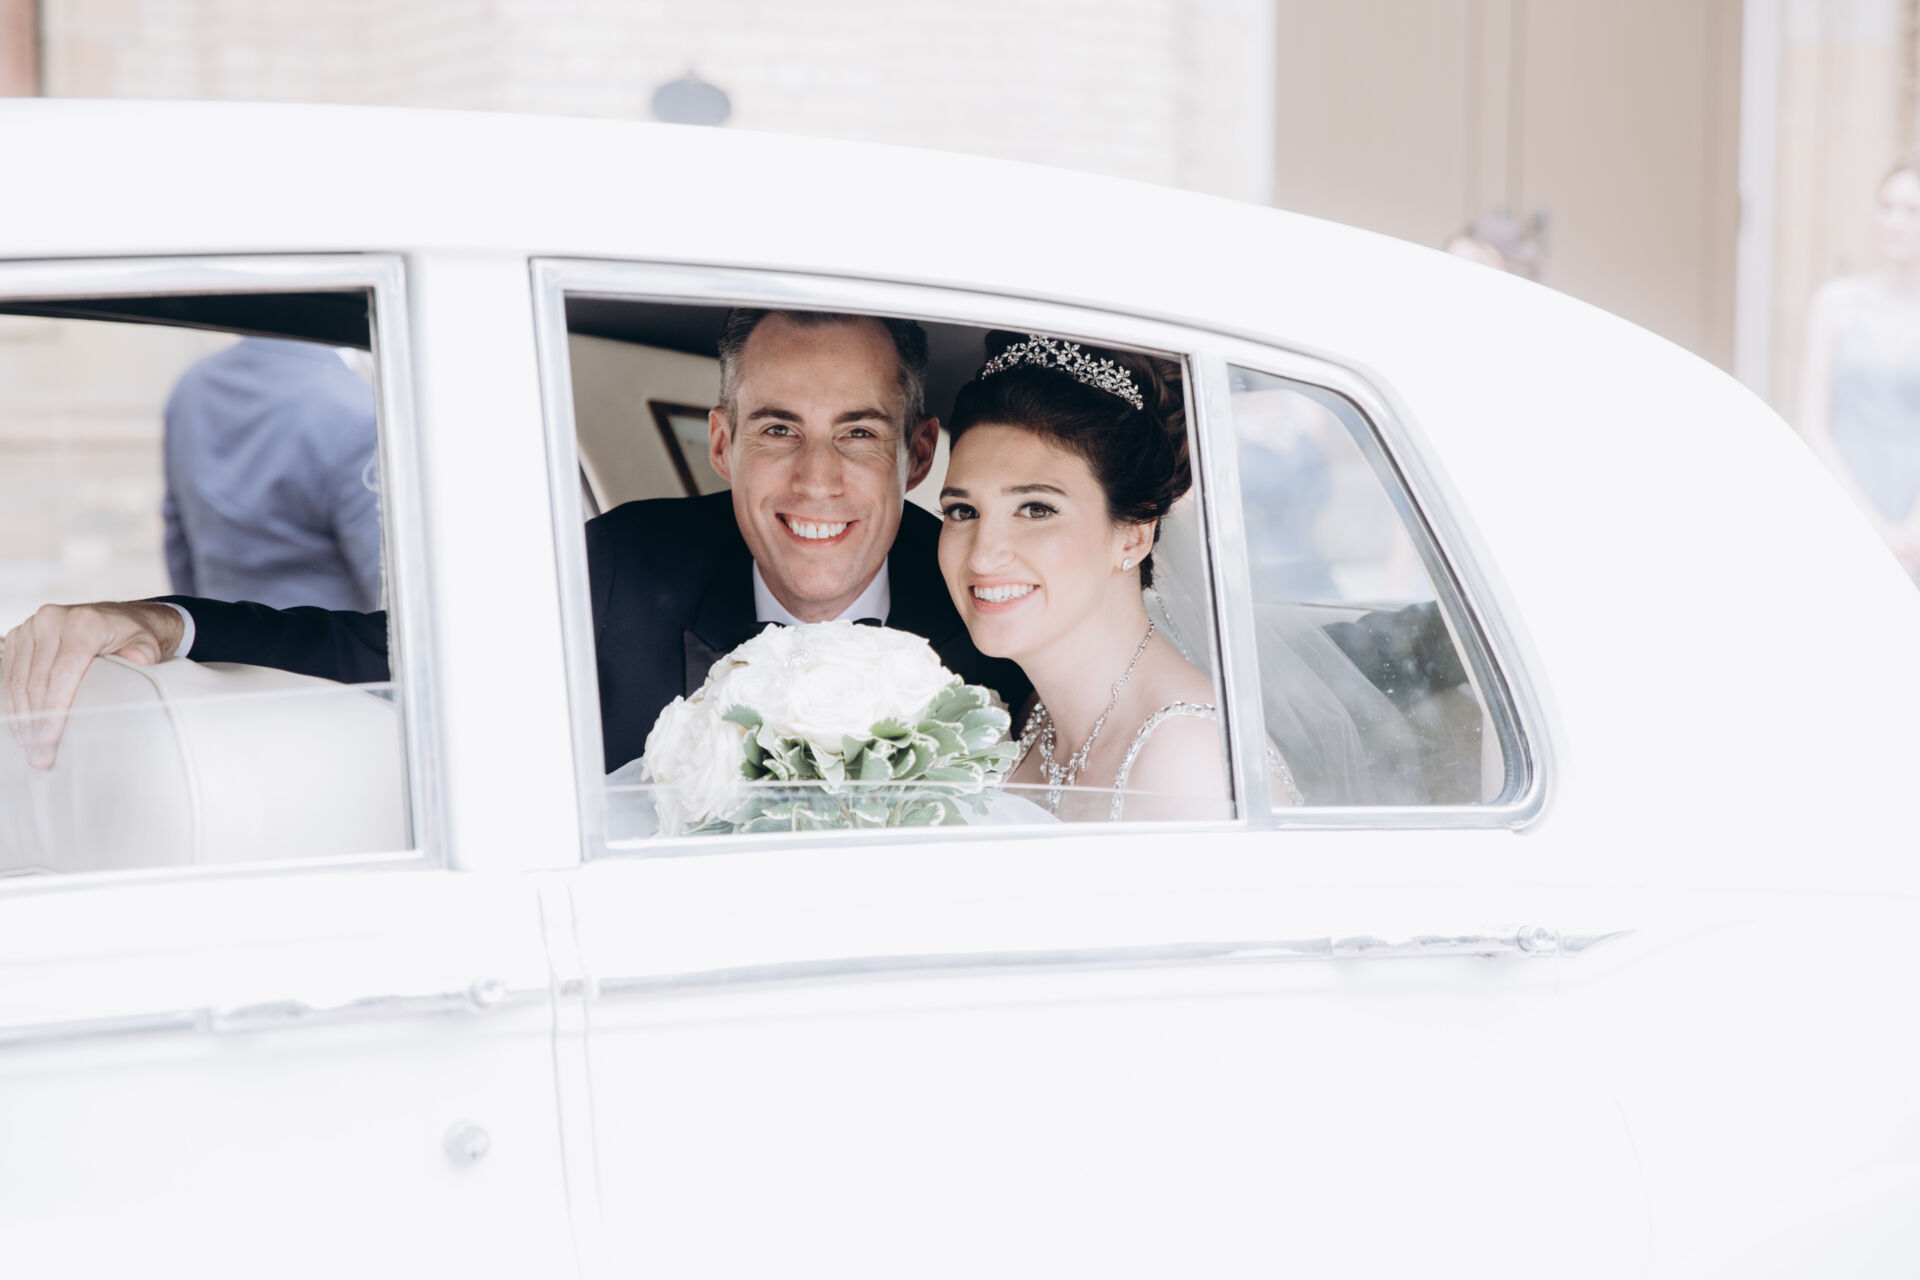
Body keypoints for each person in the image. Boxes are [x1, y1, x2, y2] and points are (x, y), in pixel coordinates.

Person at [2, 310, 1029, 773]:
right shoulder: (623, 567)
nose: (816, 480)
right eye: (777, 430)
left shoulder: (986, 617)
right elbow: (379, 655)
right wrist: (158, 621)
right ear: (721, 443)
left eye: (858, 434)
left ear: (918, 452)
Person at [936, 333, 1302, 821]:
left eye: (1036, 509)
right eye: (963, 511)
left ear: (1133, 535)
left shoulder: (1190, 763)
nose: (982, 557)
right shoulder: (1036, 718)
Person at [163, 337, 384, 612]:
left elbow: (178, 540)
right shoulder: (354, 408)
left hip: (217, 630)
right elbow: (382, 579)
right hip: (321, 634)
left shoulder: (191, 387)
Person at [1797, 159, 1920, 578]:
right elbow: (1812, 423)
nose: (1895, 222)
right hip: (1844, 503)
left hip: (1913, 522)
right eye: (1887, 207)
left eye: (1911, 211)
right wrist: (1871, 524)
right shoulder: (1834, 304)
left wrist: (1911, 530)